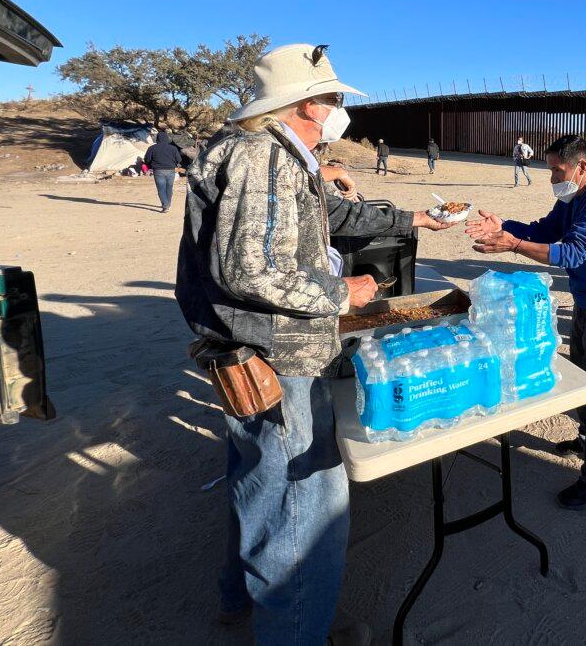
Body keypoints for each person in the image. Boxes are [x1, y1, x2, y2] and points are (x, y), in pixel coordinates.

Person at [175, 43, 454, 644]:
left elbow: (326, 216)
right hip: (278, 354)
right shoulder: (261, 156)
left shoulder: (272, 153)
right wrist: (340, 293)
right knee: (304, 505)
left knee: (258, 481)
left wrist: (416, 222)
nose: (337, 109)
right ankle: (297, 628)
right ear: (307, 104)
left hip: (249, 350)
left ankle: (237, 599)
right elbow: (245, 268)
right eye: (331, 98)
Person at [467, 135, 586, 510]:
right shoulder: (573, 197)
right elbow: (545, 231)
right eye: (549, 170)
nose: (551, 178)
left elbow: (572, 252)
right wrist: (505, 225)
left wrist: (513, 245)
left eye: (557, 170)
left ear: (581, 168)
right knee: (584, 384)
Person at [143, 129, 183, 212]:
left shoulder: (152, 148)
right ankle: (167, 204)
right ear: (167, 138)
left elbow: (147, 159)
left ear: (157, 139)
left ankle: (165, 206)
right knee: (169, 188)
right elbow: (179, 160)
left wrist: (150, 166)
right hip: (171, 171)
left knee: (161, 189)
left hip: (158, 171)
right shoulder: (173, 148)